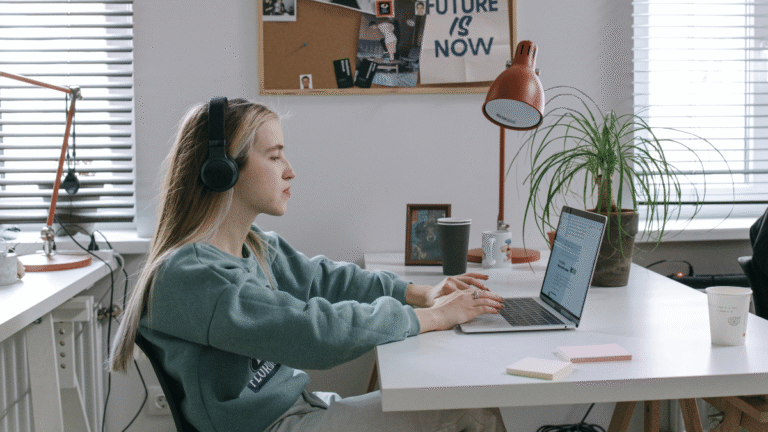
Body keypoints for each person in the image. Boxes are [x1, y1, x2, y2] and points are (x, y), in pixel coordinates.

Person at [109, 98, 507, 432]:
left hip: (301, 409)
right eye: (274, 156)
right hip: (274, 426)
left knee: (460, 396)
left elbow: (324, 279)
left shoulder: (252, 245)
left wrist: (418, 294)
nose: (290, 170)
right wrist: (430, 318)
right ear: (222, 171)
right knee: (468, 407)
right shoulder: (191, 276)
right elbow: (313, 331)